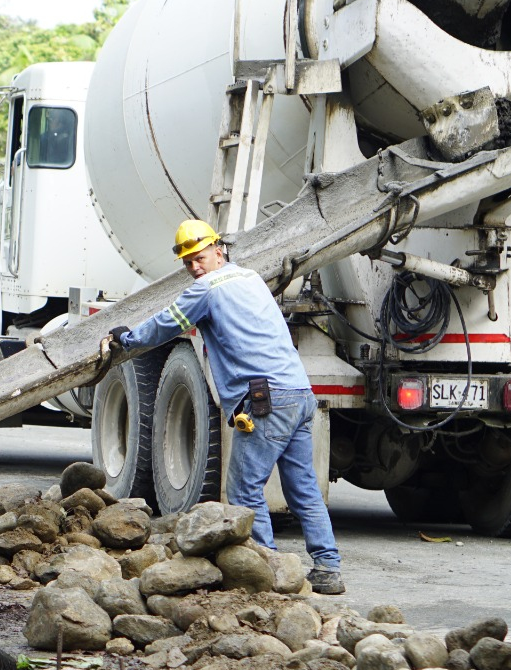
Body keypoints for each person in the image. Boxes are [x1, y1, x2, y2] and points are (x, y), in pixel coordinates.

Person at [108, 219, 344, 594]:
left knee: (245, 492)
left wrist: (127, 339)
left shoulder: (205, 290)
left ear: (219, 251)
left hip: (267, 400)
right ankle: (328, 568)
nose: (194, 267)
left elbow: (166, 325)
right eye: (188, 263)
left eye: (199, 257)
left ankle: (266, 571)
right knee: (303, 491)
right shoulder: (250, 278)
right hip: (299, 393)